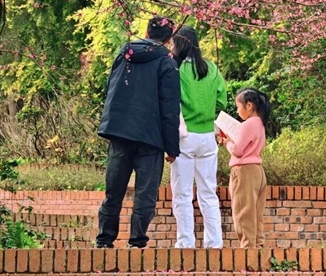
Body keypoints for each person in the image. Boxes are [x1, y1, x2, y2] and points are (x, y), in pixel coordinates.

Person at [95, 15, 180, 249]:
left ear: (146, 31)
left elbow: (110, 88)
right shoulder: (167, 63)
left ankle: (104, 240)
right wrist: (172, 146)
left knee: (114, 191)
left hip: (120, 133)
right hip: (151, 138)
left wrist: (111, 125)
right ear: (169, 38)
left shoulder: (125, 55)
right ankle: (137, 242)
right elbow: (170, 108)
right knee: (145, 194)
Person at [170, 25, 227, 248]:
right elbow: (221, 102)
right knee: (208, 193)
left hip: (185, 136)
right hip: (207, 138)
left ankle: (185, 243)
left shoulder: (177, 69)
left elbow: (171, 102)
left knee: (182, 194)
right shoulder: (212, 68)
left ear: (179, 43)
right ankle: (215, 243)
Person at [217, 88, 269, 248]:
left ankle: (247, 252)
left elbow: (238, 151)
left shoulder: (248, 125)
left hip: (244, 171)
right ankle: (258, 249)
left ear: (249, 106)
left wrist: (226, 142)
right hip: (258, 170)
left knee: (243, 213)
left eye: (239, 106)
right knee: (256, 214)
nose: (238, 111)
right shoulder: (260, 123)